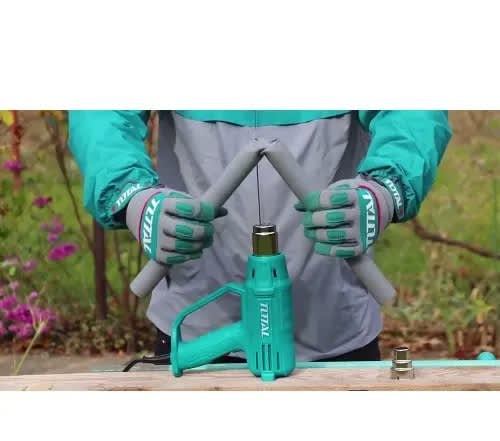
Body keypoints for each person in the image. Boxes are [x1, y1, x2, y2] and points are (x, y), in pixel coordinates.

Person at [68, 110, 452, 363]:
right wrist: (132, 196)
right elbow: (102, 115)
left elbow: (412, 112)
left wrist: (387, 189)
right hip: (196, 331)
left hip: (336, 329)